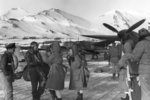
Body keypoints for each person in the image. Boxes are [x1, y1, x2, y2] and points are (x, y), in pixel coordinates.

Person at [123, 28, 150, 100]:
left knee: (146, 93)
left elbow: (134, 57)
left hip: (146, 71)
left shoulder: (142, 43)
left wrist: (129, 54)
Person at [118, 31, 140, 100]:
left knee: (128, 87)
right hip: (135, 75)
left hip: (129, 75)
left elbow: (119, 65)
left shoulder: (126, 55)